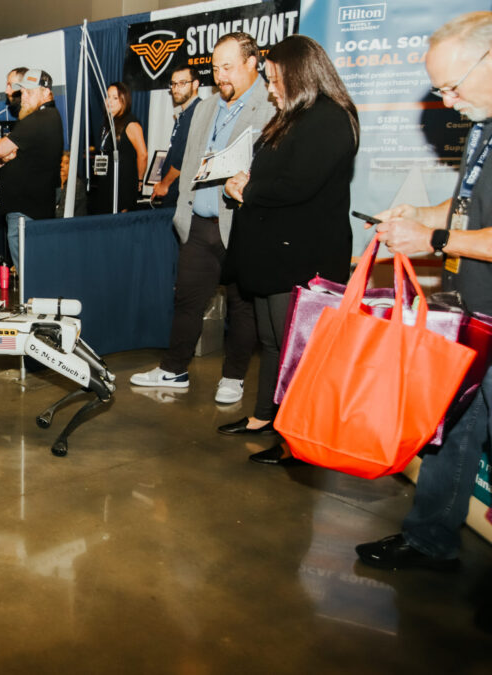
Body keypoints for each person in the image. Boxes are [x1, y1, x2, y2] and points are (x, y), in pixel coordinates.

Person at [356, 13, 492, 620]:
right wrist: (422, 216)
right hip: (476, 315)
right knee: (453, 434)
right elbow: (467, 210)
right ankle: (430, 540)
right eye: (440, 90)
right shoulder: (483, 126)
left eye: (453, 86)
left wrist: (435, 240)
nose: (447, 100)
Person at [220, 35, 359, 463]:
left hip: (302, 257)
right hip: (274, 255)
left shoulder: (330, 118)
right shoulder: (294, 117)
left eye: (274, 78)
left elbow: (298, 184)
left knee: (297, 351)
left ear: (299, 75)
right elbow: (271, 173)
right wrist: (243, 181)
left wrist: (249, 190)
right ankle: (265, 416)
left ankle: (298, 439)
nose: (269, 88)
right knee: (273, 341)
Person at [129, 32, 270, 407]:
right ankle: (174, 369)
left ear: (252, 63)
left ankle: (233, 377)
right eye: (215, 68)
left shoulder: (271, 106)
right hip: (198, 222)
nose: (220, 76)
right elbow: (190, 161)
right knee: (186, 301)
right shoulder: (206, 108)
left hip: (239, 225)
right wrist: (183, 213)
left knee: (242, 307)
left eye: (228, 67)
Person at [0, 68, 64, 269]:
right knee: (34, 265)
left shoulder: (38, 119)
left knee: (27, 268)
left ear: (46, 92)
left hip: (25, 209)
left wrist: (5, 149)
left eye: (29, 92)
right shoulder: (49, 117)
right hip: (32, 206)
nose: (24, 97)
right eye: (22, 92)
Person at [87, 82, 147, 214]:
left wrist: (139, 180)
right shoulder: (108, 123)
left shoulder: (131, 123)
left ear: (124, 100)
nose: (109, 101)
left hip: (123, 184)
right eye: (108, 97)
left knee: (120, 221)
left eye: (115, 98)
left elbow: (143, 154)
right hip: (107, 181)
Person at [151, 66, 201, 206]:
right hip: (176, 192)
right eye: (173, 84)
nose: (176, 88)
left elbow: (182, 158)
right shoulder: (184, 114)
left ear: (195, 84)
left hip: (182, 194)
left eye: (182, 83)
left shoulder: (196, 112)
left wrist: (164, 184)